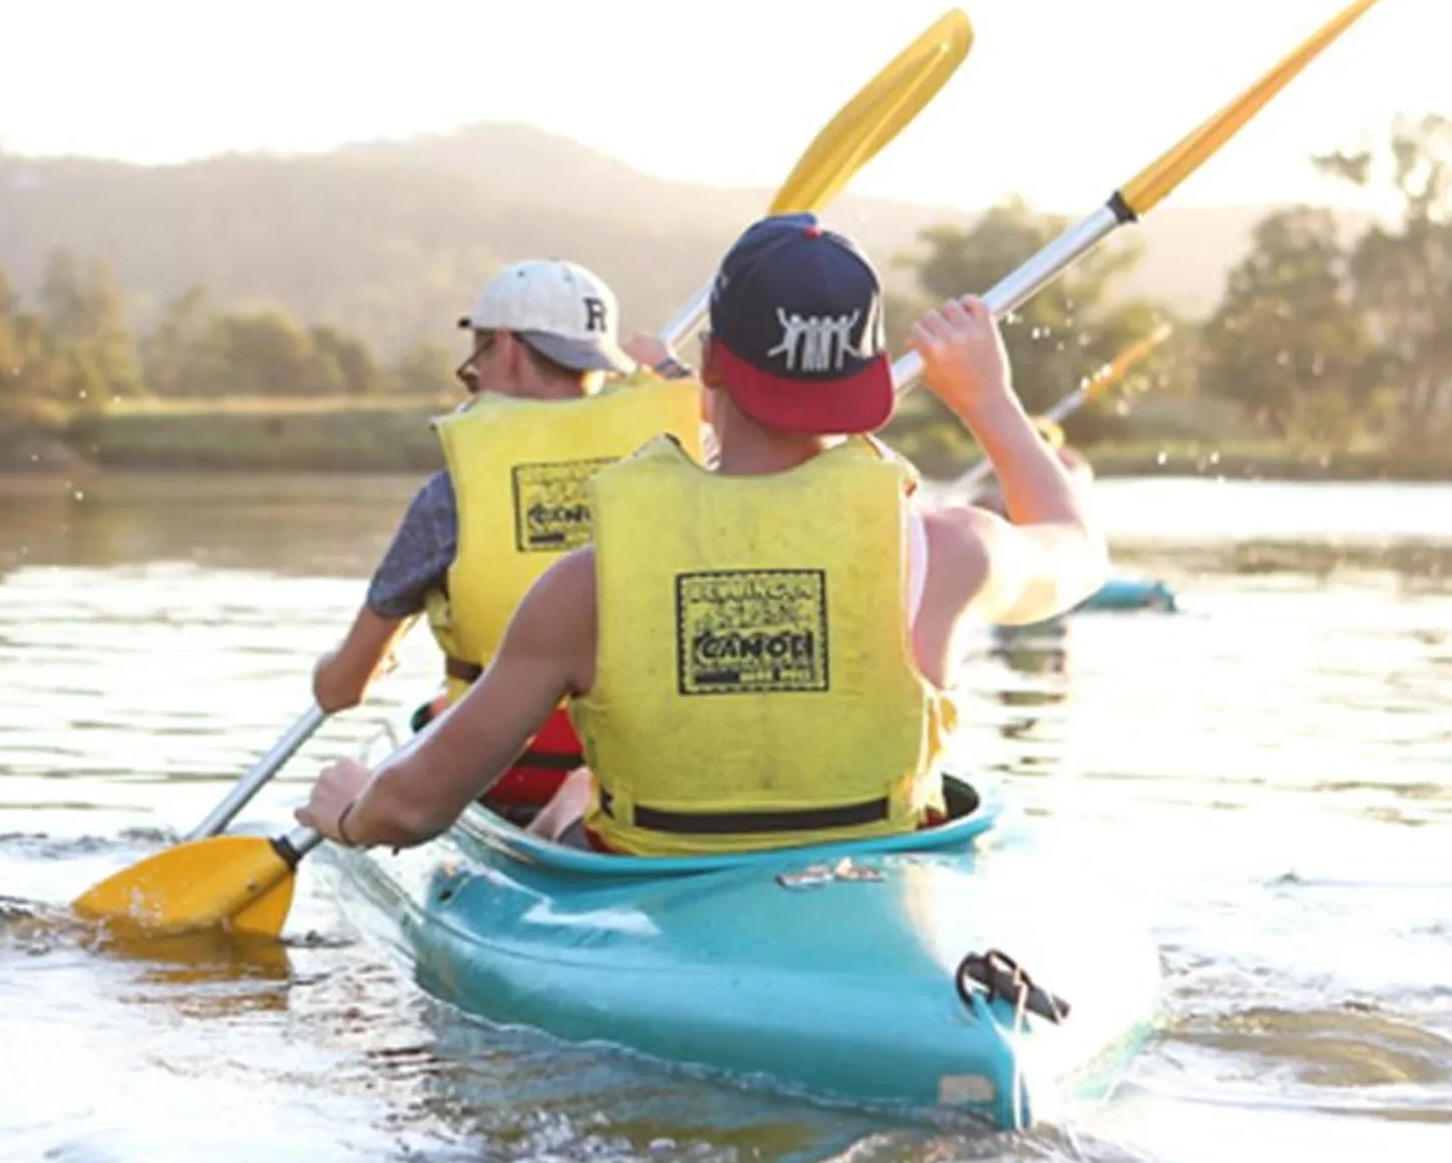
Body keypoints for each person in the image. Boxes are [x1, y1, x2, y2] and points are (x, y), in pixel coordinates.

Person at [297, 213, 1108, 857]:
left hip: (659, 888)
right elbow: (1078, 546)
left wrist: (348, 813)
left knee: (579, 795)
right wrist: (988, 401)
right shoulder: (950, 554)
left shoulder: (589, 585)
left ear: (712, 364)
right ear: (871, 385)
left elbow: (411, 809)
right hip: (876, 891)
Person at [308, 259, 699, 817]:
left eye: (480, 354)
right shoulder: (684, 459)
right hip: (650, 765)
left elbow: (341, 690)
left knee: (435, 719)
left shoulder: (452, 496)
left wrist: (331, 670)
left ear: (509, 349)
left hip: (504, 774)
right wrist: (669, 370)